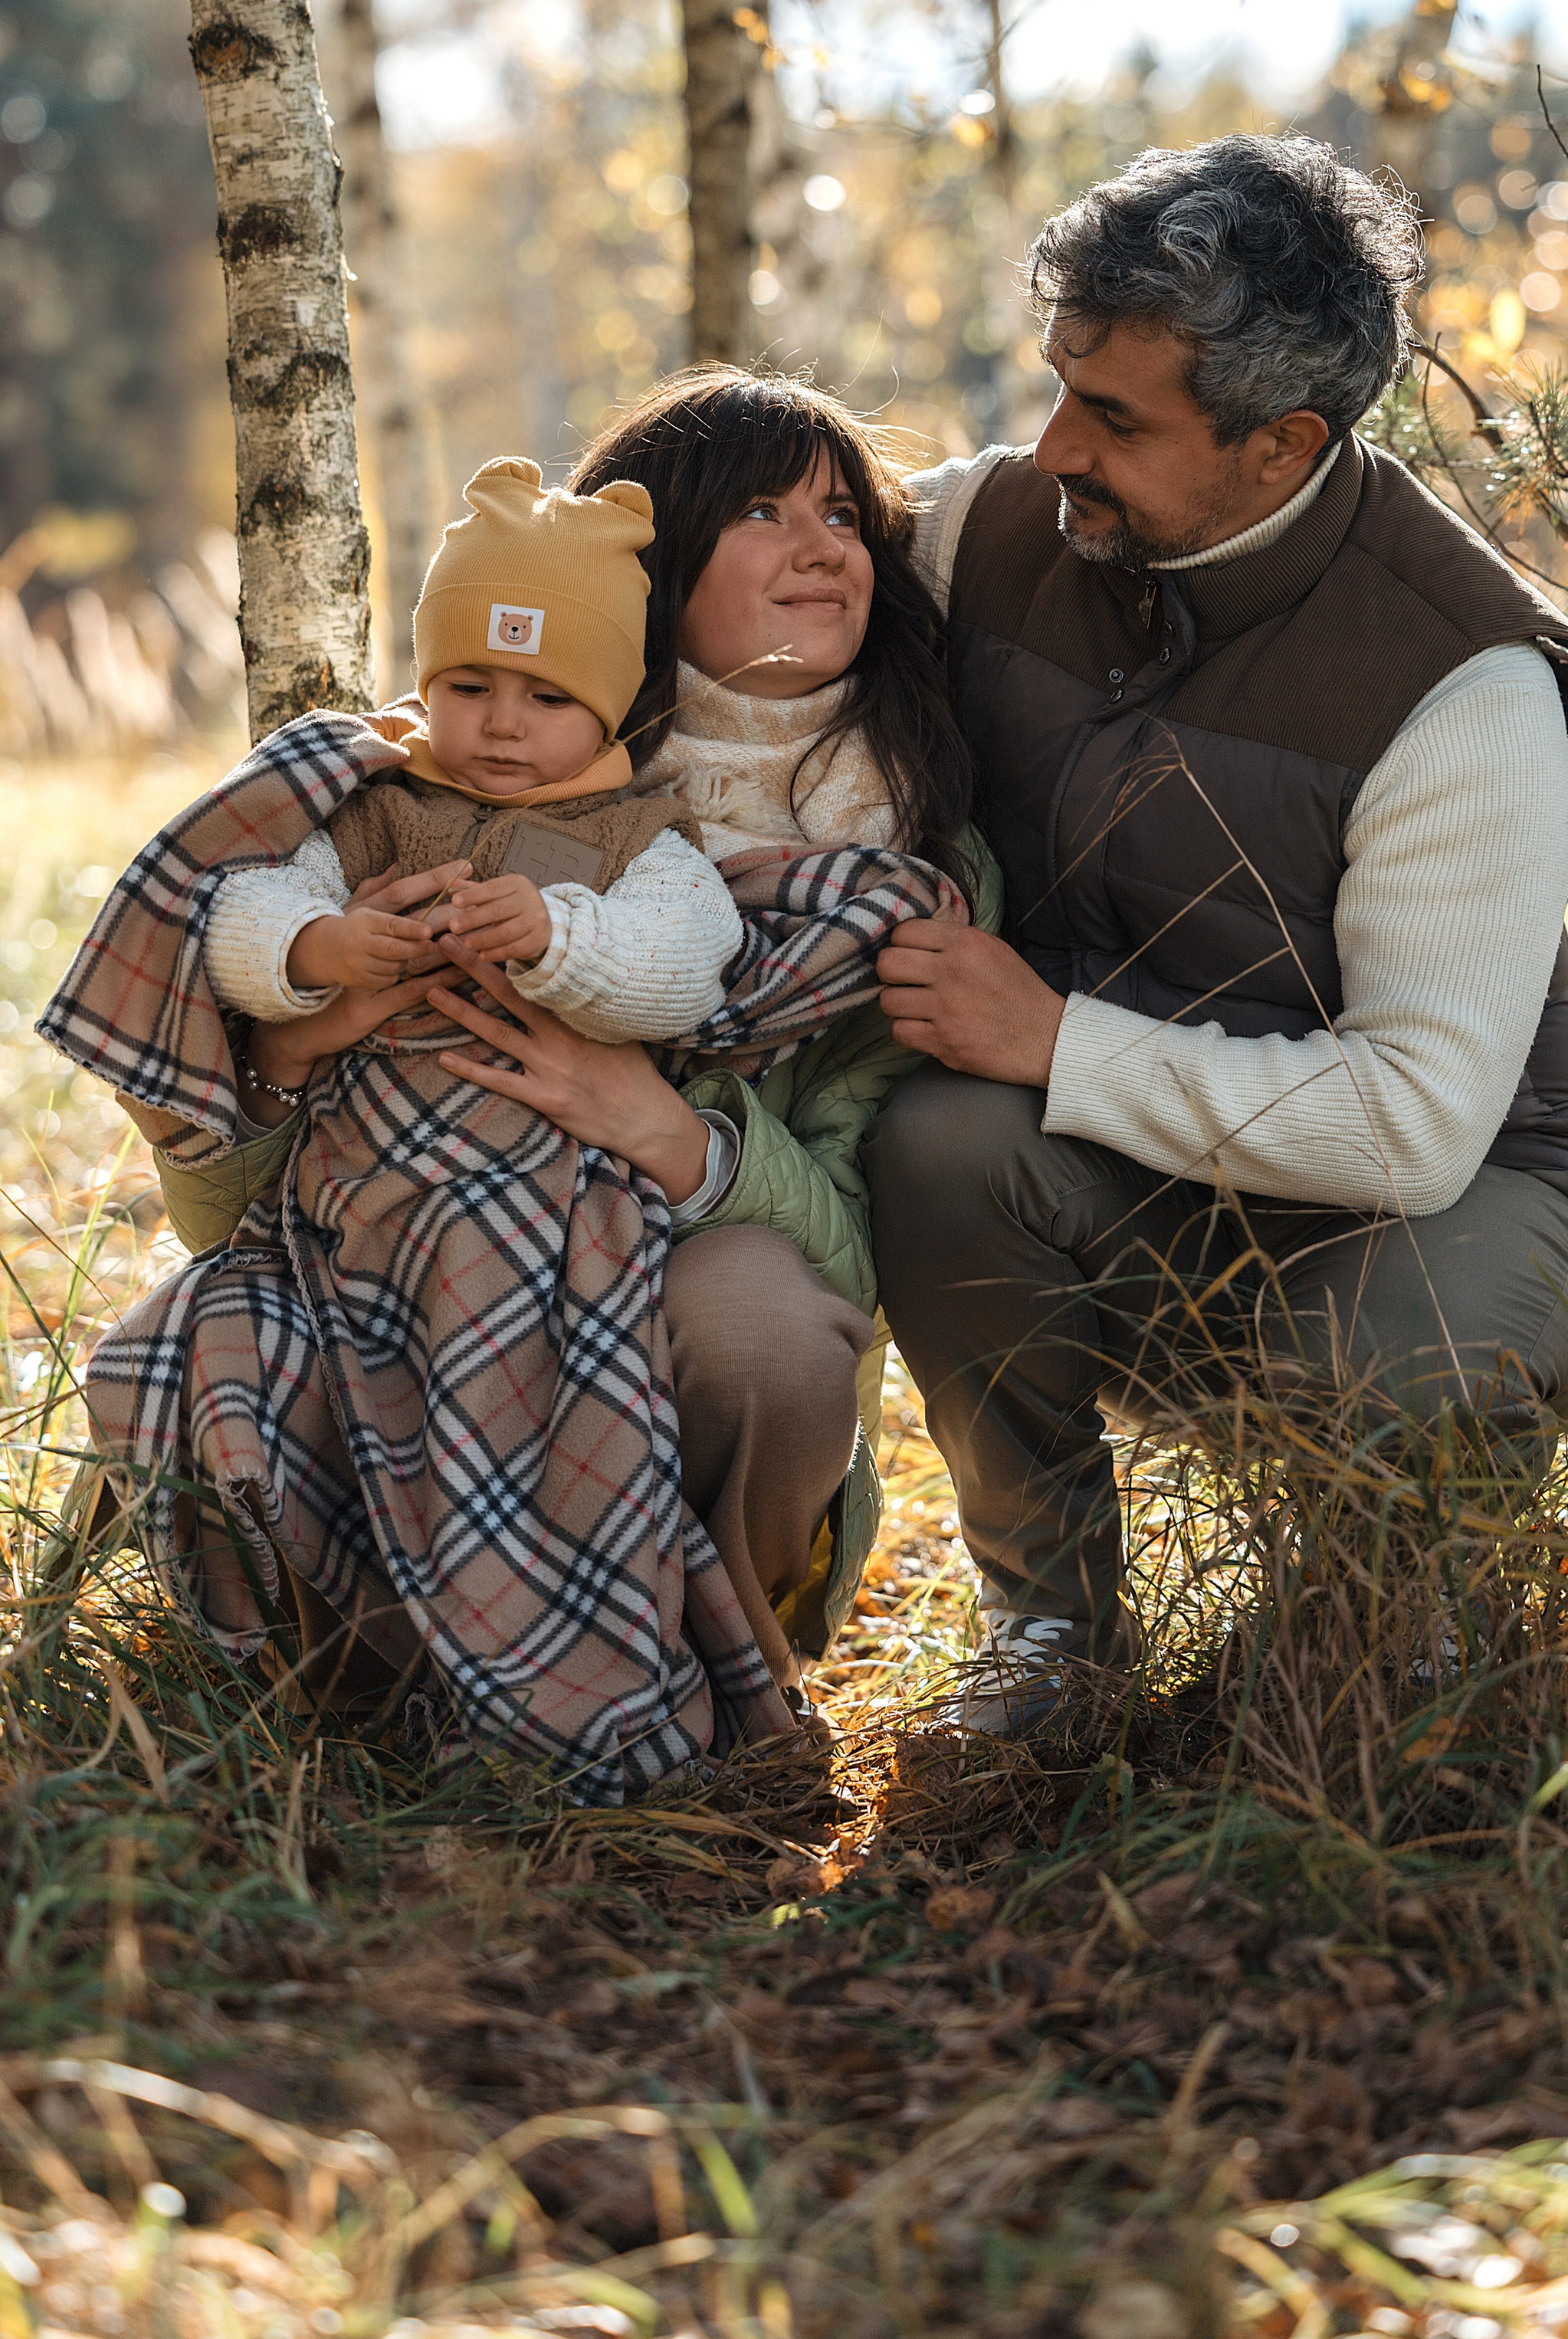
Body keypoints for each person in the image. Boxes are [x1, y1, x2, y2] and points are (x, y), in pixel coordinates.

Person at [47, 373, 992, 1792]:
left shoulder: (913, 874)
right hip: (402, 1237)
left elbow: (869, 1258)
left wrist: (675, 1138)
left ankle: (709, 1681)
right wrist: (305, 1031)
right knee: (217, 1333)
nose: (824, 547)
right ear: (651, 571)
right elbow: (226, 1202)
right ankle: (379, 1696)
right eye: (761, 510)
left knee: (759, 1329)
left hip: (676, 1239)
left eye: (844, 514)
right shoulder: (442, 780)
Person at [864, 133, 1568, 1731]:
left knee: (1358, 1623)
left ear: (1279, 445)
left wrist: (1050, 1041)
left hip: (1448, 1208)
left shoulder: (1462, 683)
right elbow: (741, 563)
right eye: (1060, 386)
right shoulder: (995, 529)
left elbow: (1416, 1126)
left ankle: (1384, 1612)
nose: (1052, 446)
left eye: (1114, 417)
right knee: (939, 1141)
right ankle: (1050, 1645)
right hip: (1138, 1167)